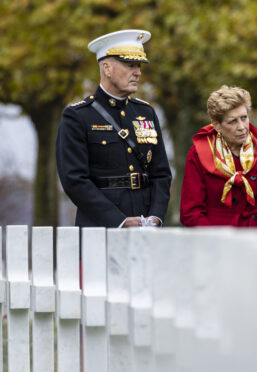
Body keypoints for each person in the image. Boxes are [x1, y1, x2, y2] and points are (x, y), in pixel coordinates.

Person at [56, 30, 172, 227]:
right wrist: (119, 221)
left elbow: (161, 174)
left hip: (146, 226)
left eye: (139, 66)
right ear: (107, 68)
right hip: (100, 227)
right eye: (130, 65)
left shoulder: (146, 113)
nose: (138, 72)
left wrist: (156, 217)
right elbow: (74, 180)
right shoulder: (78, 116)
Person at [180, 86, 257, 226]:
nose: (242, 127)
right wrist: (214, 240)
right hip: (222, 241)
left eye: (244, 118)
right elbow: (191, 212)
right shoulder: (199, 153)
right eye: (232, 121)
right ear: (216, 125)